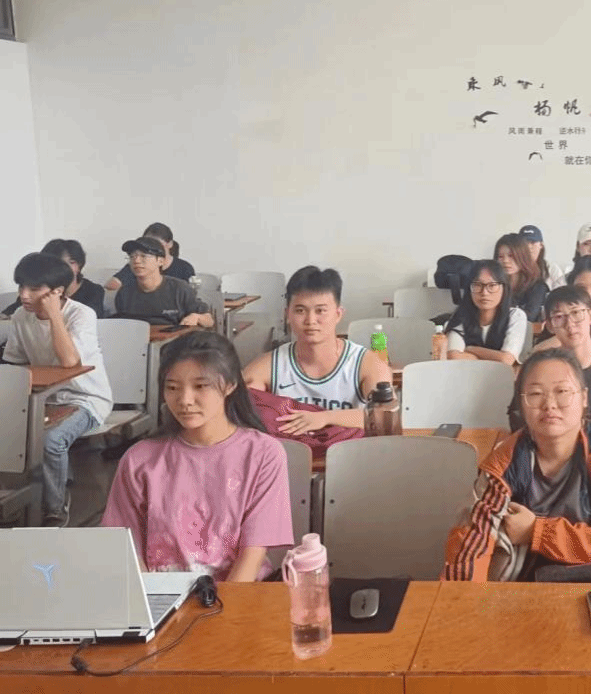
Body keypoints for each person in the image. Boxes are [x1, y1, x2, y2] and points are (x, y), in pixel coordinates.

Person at [103, 331, 293, 581]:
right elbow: (128, 548)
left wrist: (223, 606)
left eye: (200, 386)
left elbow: (253, 554)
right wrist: (152, 598)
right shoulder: (139, 459)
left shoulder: (264, 454)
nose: (185, 400)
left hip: (239, 594)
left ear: (230, 384)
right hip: (162, 595)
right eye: (172, 387)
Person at [443, 348, 591, 581]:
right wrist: (462, 599)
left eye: (562, 391)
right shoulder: (505, 460)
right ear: (521, 402)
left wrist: (536, 532)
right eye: (536, 393)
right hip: (529, 582)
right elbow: (470, 545)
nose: (549, 404)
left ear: (584, 398)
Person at [3, 252, 113, 526]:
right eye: (21, 287)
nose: (24, 295)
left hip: (85, 399)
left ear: (57, 292)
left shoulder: (81, 314)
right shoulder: (20, 315)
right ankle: (15, 499)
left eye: (34, 289)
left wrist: (54, 315)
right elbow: (15, 362)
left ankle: (55, 508)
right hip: (41, 397)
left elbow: (69, 362)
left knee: (51, 440)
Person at [243, 266, 391, 432]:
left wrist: (325, 418)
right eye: (300, 311)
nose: (310, 320)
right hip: (290, 449)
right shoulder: (268, 365)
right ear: (287, 314)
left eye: (320, 310)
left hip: (349, 448)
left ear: (338, 314)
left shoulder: (367, 363)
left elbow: (383, 417)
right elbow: (237, 412)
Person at [509, 285, 591, 436]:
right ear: (549, 326)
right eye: (559, 317)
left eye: (576, 313)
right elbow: (518, 418)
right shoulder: (538, 370)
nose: (570, 324)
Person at [113, 236, 213, 327]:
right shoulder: (124, 292)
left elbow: (209, 321)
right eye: (132, 256)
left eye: (143, 256)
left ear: (160, 261)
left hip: (174, 339)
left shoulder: (179, 289)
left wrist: (196, 317)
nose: (136, 261)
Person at [444, 260, 528, 365]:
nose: (484, 292)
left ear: (504, 288)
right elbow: (454, 357)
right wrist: (494, 357)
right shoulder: (460, 317)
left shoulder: (515, 316)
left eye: (492, 285)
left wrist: (471, 349)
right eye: (477, 285)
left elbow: (506, 360)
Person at [1, 239, 104, 319]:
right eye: (59, 264)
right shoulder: (35, 292)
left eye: (72, 262)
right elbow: (11, 311)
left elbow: (92, 319)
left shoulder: (93, 291)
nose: (66, 268)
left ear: (79, 265)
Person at [106, 222, 195, 291]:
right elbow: (112, 284)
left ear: (170, 244)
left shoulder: (184, 268)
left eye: (157, 244)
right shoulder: (137, 266)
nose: (152, 248)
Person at [495, 233, 549, 323]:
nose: (505, 261)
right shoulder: (494, 284)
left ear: (522, 256)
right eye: (500, 257)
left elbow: (529, 317)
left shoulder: (537, 286)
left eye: (511, 256)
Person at [519, 224, 566, 290]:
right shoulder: (514, 268)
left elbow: (563, 292)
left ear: (541, 245)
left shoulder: (551, 269)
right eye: (524, 243)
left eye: (532, 242)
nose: (528, 247)